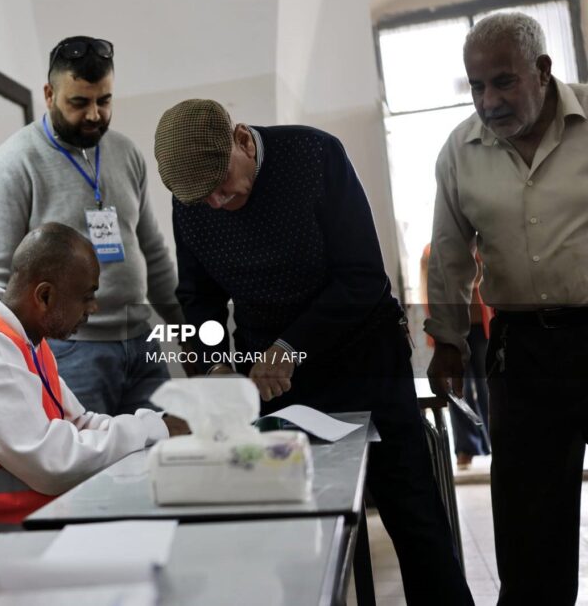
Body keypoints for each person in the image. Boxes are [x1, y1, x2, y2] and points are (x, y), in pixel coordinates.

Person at [153, 99, 473, 605]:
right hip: (272, 378)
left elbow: (363, 277)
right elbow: (199, 298)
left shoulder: (315, 155)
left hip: (364, 357)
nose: (214, 202)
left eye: (221, 183)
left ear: (242, 139)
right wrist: (214, 363)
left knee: (413, 516)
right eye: (201, 197)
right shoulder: (191, 198)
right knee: (291, 526)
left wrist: (290, 346)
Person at [425, 12, 588, 605]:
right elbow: (449, 253)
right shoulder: (460, 151)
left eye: (503, 82)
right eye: (476, 86)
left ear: (542, 70)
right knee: (529, 530)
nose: (488, 101)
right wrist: (447, 342)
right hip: (523, 352)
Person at [0, 36, 185, 416]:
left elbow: (152, 251)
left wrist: (183, 329)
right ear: (49, 94)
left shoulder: (126, 153)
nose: (94, 115)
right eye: (79, 102)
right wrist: (21, 362)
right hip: (68, 351)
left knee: (166, 446)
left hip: (141, 339)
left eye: (104, 101)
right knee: (87, 454)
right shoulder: (13, 165)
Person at [0, 223, 179, 530]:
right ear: (45, 296)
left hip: (20, 525)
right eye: (87, 296)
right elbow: (52, 462)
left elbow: (78, 422)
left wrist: (157, 424)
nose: (94, 308)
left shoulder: (24, 340)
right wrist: (149, 429)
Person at [420, 245, 491, 470]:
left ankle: (493, 441)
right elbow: (429, 289)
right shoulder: (431, 252)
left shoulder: (481, 245)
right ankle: (466, 448)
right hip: (453, 331)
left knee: (488, 388)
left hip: (483, 327)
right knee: (458, 390)